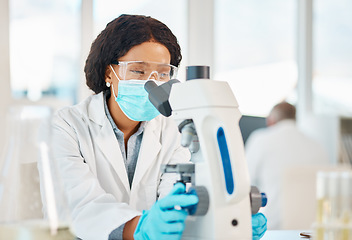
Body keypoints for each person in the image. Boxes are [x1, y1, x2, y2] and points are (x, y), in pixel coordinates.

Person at [47, 14, 267, 240]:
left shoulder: (174, 128)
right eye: (138, 71)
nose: (151, 82)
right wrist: (141, 228)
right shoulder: (67, 125)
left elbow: (178, 199)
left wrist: (223, 217)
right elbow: (78, 202)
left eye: (162, 73)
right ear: (108, 73)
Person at [245, 101, 329, 230]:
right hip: (314, 229)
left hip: (274, 228)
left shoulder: (260, 139)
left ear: (271, 121)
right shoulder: (318, 145)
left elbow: (244, 181)